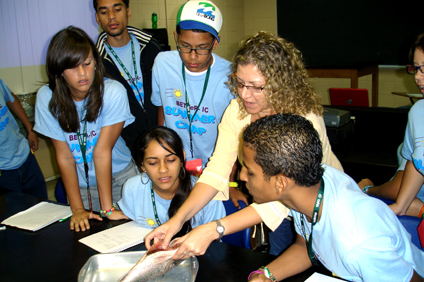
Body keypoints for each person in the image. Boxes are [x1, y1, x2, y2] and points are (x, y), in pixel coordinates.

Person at [145, 31, 343, 256]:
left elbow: (286, 195)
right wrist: (178, 220)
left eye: (256, 87)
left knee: (323, 257)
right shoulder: (237, 111)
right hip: (273, 206)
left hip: (325, 207)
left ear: (281, 84)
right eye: (239, 83)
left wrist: (214, 229)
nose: (245, 95)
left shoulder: (303, 120)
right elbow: (217, 170)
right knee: (280, 254)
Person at [177, 114, 424, 282]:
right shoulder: (312, 186)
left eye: (249, 171)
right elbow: (307, 245)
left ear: (281, 182)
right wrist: (267, 274)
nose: (241, 176)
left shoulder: (358, 245)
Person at [34, 26, 137, 232]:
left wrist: (107, 209)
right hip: (80, 185)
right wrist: (77, 208)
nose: (82, 74)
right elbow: (64, 156)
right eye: (72, 67)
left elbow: (101, 152)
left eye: (88, 64)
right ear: (59, 70)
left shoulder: (112, 92)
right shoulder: (47, 97)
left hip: (119, 179)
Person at [150, 0, 246, 208]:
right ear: (176, 37)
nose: (192, 57)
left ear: (215, 43)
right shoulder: (162, 64)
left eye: (202, 48)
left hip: (215, 170)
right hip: (175, 169)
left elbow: (236, 136)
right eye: (185, 46)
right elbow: (162, 110)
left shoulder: (231, 75)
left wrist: (230, 182)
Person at [359, 34, 424, 218]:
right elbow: (416, 160)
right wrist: (399, 207)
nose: (417, 77)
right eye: (415, 68)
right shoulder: (419, 112)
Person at [116, 126, 225, 235]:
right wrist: (106, 212)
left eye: (170, 160)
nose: (163, 170)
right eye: (153, 163)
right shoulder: (133, 188)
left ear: (182, 159)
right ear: (142, 165)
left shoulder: (207, 193)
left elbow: (214, 242)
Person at [94, 0, 161, 152]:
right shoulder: (95, 61)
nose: (111, 16)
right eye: (104, 12)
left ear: (128, 12)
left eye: (117, 9)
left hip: (160, 138)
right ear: (97, 18)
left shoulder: (152, 47)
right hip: (126, 148)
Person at [0, 79, 47, 198]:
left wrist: (30, 128)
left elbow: (10, 98)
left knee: (42, 204)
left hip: (24, 155)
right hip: (3, 170)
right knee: (15, 213)